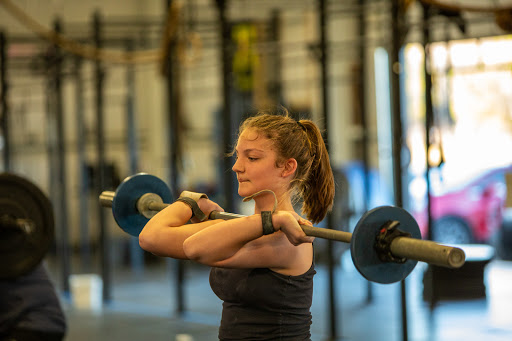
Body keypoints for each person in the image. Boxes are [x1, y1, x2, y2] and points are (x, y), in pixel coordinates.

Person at [139, 108, 335, 340]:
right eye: (238, 156)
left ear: (287, 167)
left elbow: (195, 247)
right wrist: (189, 203)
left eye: (252, 158)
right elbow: (150, 237)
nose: (237, 167)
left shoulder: (287, 239)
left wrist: (272, 220)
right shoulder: (248, 226)